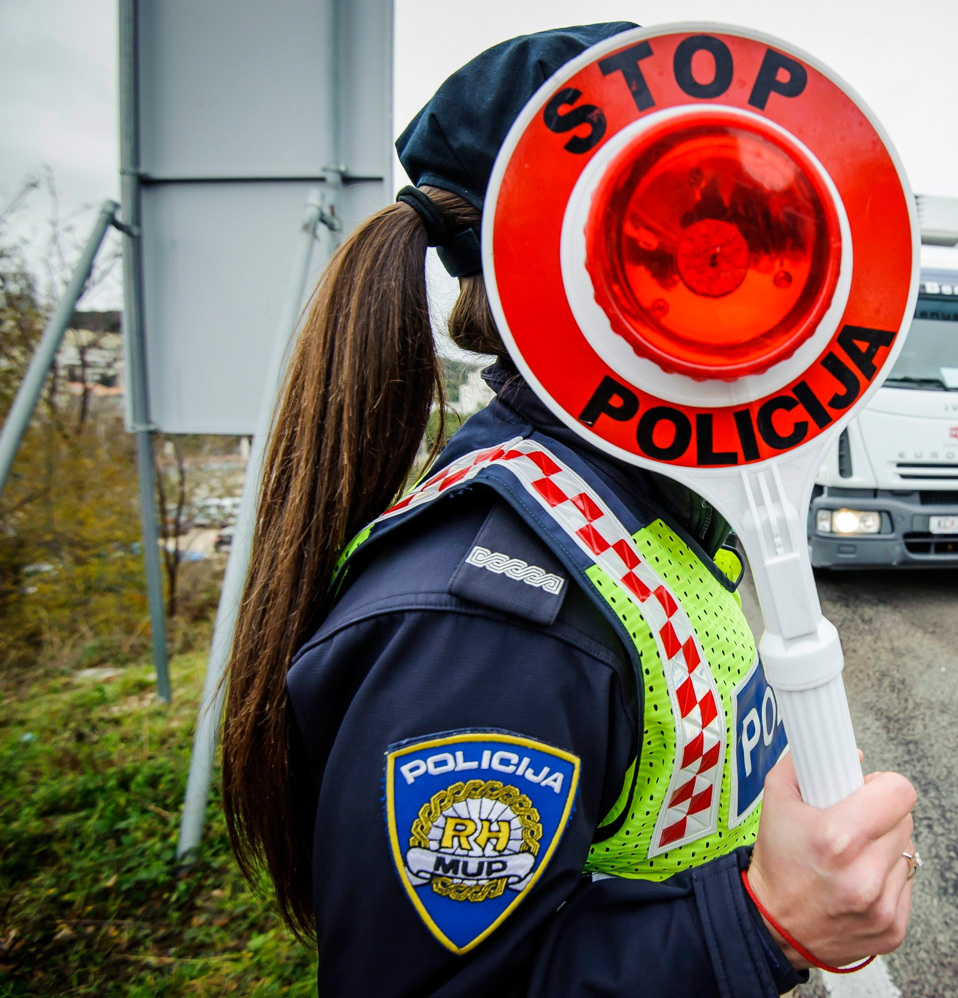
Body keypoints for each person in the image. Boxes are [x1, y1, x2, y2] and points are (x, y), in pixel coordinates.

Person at [219, 22, 918, 997]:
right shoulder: (487, 618)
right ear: (596, 269)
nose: (762, 267)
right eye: (695, 224)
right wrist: (764, 920)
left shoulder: (641, 513)